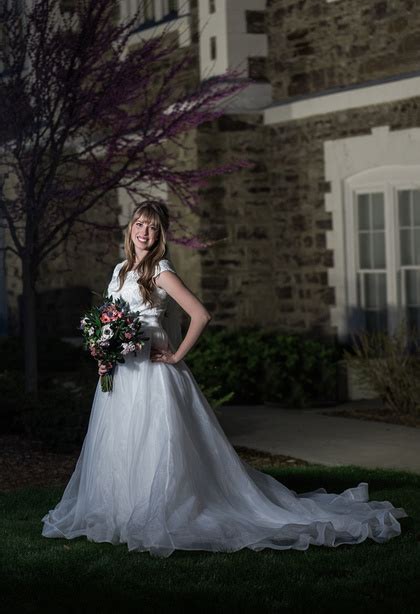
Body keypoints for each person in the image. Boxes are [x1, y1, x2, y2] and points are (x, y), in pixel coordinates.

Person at [41, 200, 408, 557]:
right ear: (130, 227)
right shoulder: (120, 270)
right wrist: (104, 352)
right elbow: (111, 319)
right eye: (140, 224)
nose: (145, 232)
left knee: (155, 443)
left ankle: (162, 510)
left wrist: (176, 355)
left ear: (160, 235)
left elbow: (200, 315)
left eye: (153, 227)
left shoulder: (161, 270)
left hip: (153, 374)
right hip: (122, 373)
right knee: (121, 444)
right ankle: (121, 511)